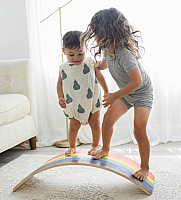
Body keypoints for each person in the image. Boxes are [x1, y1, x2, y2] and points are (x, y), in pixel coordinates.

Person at [81, 8, 153, 181]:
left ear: (108, 33)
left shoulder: (125, 54)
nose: (97, 38)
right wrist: (97, 65)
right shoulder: (108, 48)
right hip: (126, 93)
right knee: (107, 120)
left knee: (139, 130)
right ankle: (105, 149)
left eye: (98, 34)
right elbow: (106, 65)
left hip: (141, 92)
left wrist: (114, 96)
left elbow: (137, 82)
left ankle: (144, 167)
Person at [57, 30, 108, 156]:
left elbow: (101, 75)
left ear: (85, 49)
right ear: (64, 52)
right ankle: (72, 146)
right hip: (73, 102)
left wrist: (107, 91)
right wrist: (60, 97)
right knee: (73, 126)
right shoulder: (63, 68)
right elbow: (60, 84)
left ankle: (95, 145)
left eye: (80, 53)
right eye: (71, 54)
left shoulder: (91, 62)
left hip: (91, 102)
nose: (76, 58)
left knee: (95, 124)